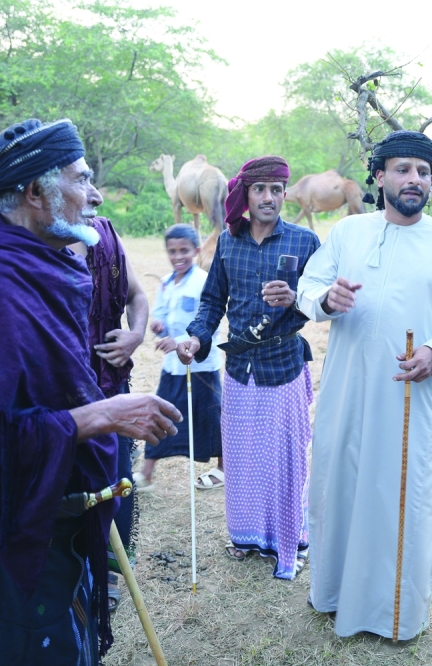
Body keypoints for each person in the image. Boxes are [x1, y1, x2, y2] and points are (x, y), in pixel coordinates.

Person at [0, 118, 182, 665]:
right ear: (34, 192)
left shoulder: (38, 265)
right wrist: (102, 416)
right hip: (10, 527)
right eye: (81, 179)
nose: (95, 193)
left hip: (54, 513)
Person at [296, 130, 432, 640]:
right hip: (346, 394)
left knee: (401, 500)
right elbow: (307, 288)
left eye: (424, 173)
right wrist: (324, 300)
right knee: (339, 489)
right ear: (379, 176)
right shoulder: (347, 233)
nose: (415, 180)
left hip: (412, 401)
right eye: (403, 169)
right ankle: (333, 594)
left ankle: (393, 616)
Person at [176, 156, 320, 580]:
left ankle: (290, 537)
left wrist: (294, 300)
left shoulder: (304, 242)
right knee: (239, 458)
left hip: (283, 365)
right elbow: (211, 302)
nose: (270, 198)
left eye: (277, 190)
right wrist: (198, 338)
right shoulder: (227, 242)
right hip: (238, 368)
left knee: (287, 457)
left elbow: (319, 302)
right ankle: (247, 535)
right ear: (247, 193)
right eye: (261, 189)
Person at [69, 213, 148, 616]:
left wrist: (135, 335)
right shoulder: (31, 247)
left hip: (110, 387)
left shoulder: (103, 236)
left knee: (119, 481)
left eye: (90, 181)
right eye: (80, 181)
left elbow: (137, 296)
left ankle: (111, 573)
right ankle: (73, 571)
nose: (93, 195)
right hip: (61, 399)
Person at [138, 223, 224, 490]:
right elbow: (161, 314)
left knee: (212, 416)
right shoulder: (165, 283)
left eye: (184, 250)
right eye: (172, 251)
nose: (178, 257)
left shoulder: (203, 282)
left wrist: (180, 341)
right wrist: (158, 326)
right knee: (160, 414)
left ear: (196, 250)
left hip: (201, 367)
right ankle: (146, 474)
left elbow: (211, 323)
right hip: (173, 368)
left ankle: (223, 469)